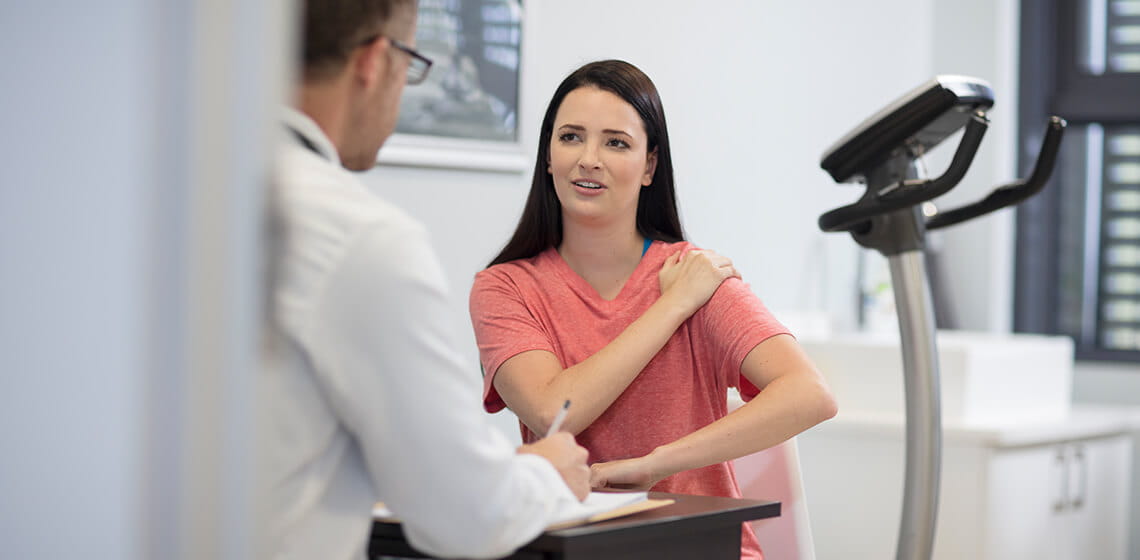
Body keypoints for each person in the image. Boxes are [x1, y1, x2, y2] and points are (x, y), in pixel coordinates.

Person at [468, 59, 838, 560]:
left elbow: (811, 395)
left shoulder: (695, 272)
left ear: (649, 166)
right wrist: (673, 306)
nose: (589, 159)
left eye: (616, 143)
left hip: (704, 550)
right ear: (548, 156)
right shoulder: (505, 288)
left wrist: (658, 463)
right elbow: (554, 410)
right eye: (571, 137)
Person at [263, 2, 591, 559]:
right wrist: (546, 475)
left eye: (617, 142)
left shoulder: (179, 189)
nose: (589, 161)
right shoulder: (362, 239)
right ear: (374, 63)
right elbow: (467, 513)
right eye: (411, 64)